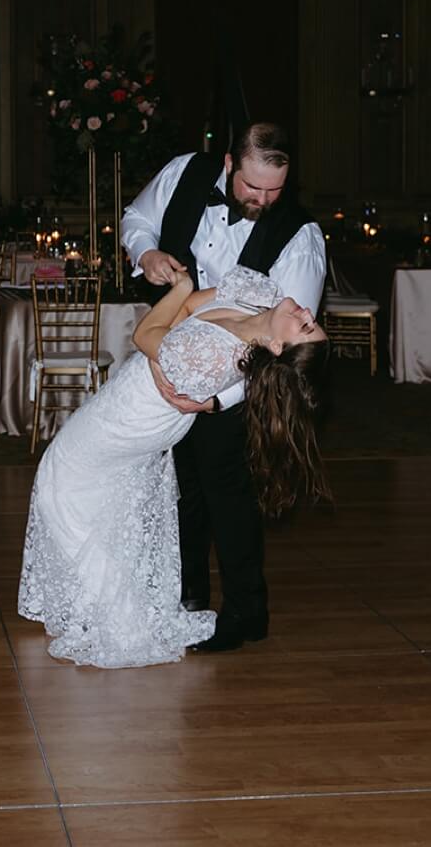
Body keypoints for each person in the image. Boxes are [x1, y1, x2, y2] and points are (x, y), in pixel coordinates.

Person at [16, 265, 330, 667]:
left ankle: (114, 612)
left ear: (274, 347)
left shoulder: (214, 355)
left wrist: (179, 292)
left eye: (304, 328)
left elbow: (145, 334)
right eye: (312, 322)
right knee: (93, 494)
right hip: (131, 397)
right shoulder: (258, 294)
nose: (307, 313)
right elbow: (175, 321)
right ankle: (89, 602)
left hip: (134, 416)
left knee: (58, 480)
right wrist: (164, 338)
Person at [118, 122, 327, 652]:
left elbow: (285, 355)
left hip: (238, 385)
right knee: (179, 486)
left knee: (229, 496)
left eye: (274, 191)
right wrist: (146, 254)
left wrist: (216, 399)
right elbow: (137, 218)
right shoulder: (185, 172)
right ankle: (186, 597)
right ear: (230, 164)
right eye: (252, 188)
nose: (261, 200)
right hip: (170, 360)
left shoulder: (300, 238)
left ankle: (245, 612)